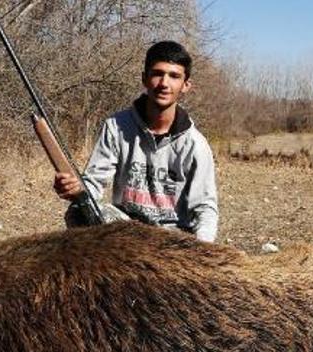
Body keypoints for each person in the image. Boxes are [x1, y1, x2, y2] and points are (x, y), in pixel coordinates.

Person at [53, 41, 218, 243]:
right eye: (157, 73)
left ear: (185, 86)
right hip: (126, 232)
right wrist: (77, 190)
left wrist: (203, 251)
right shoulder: (116, 126)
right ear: (145, 78)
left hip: (172, 239)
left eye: (174, 76)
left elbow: (204, 208)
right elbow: (93, 184)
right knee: (78, 211)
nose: (164, 83)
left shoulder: (196, 145)